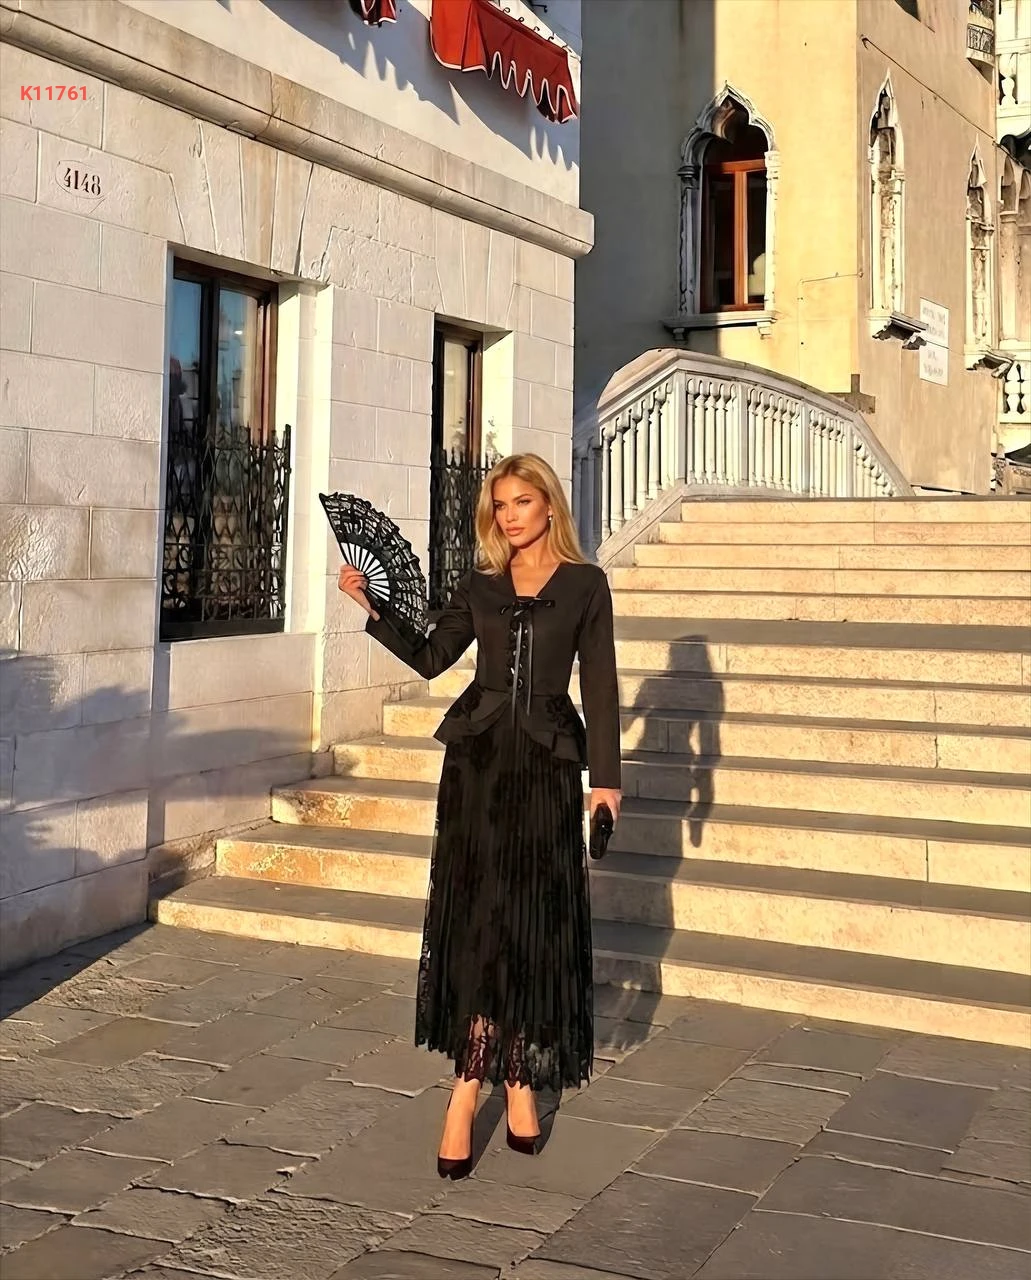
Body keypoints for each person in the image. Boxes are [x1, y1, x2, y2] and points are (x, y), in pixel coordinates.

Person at [337, 452, 621, 1179]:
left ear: (549, 505)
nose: (510, 516)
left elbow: (601, 682)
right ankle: (466, 1088)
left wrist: (606, 782)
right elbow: (434, 656)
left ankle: (520, 1076)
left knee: (533, 919)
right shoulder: (482, 584)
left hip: (547, 766)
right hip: (479, 765)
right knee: (482, 918)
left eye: (522, 502)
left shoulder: (586, 584)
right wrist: (373, 609)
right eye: (500, 505)